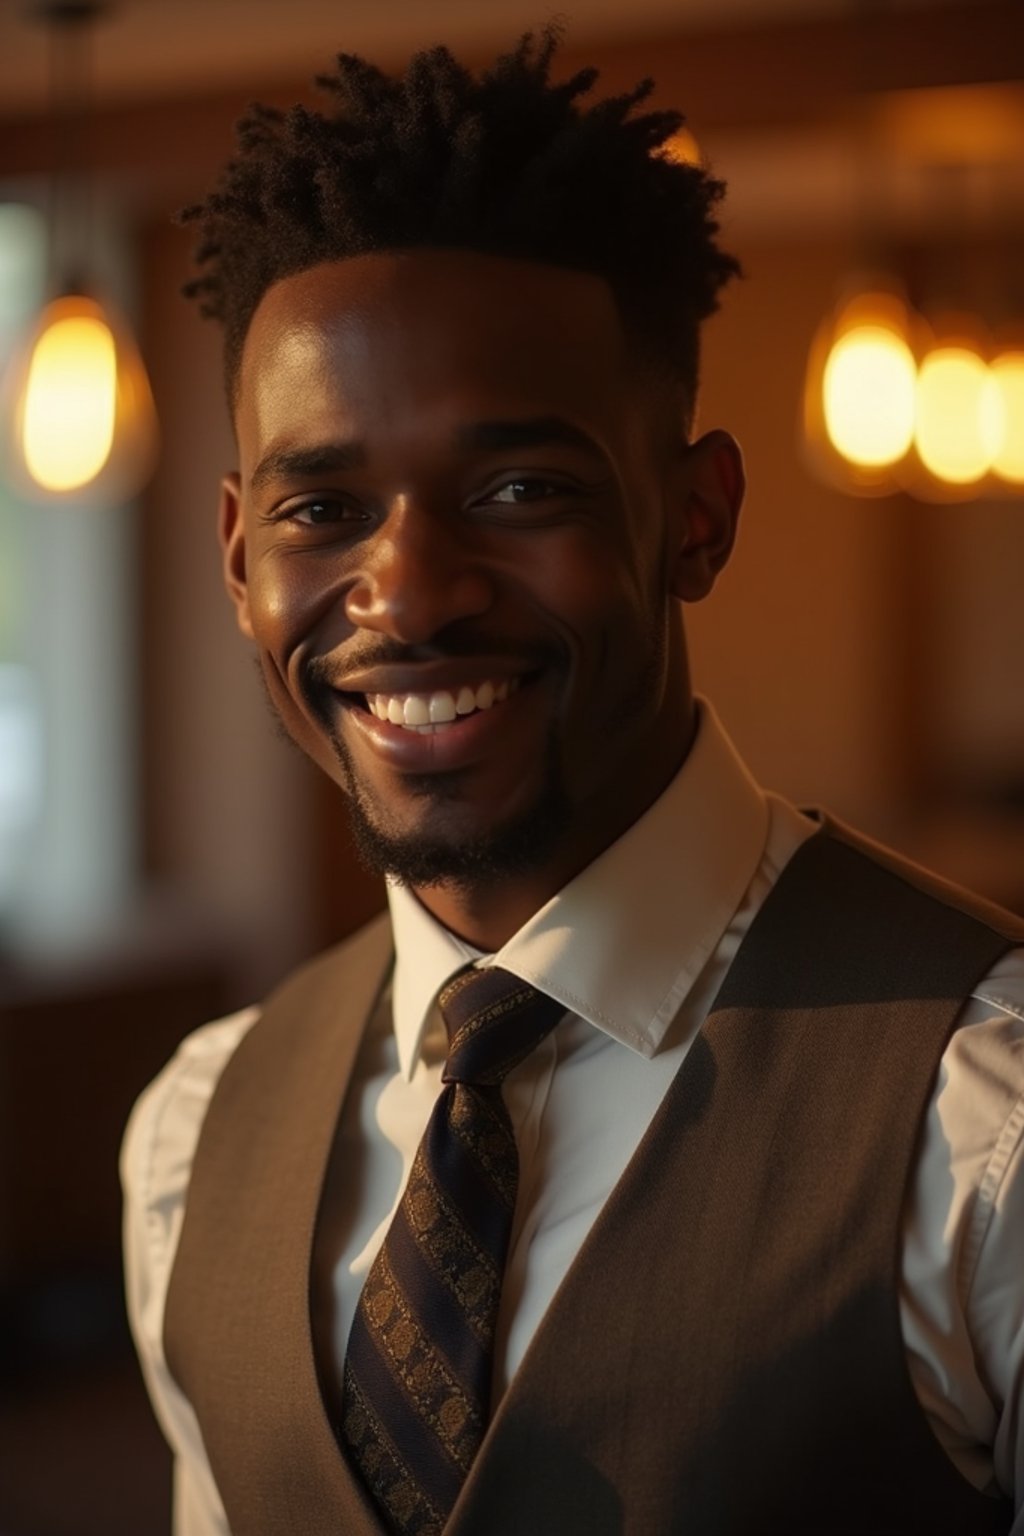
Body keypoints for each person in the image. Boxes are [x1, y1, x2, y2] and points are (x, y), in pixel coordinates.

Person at [121, 27, 1024, 1536]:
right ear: (235, 562)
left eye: (518, 489)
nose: (406, 594)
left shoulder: (985, 1114)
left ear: (696, 517)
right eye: (323, 507)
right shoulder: (193, 1132)